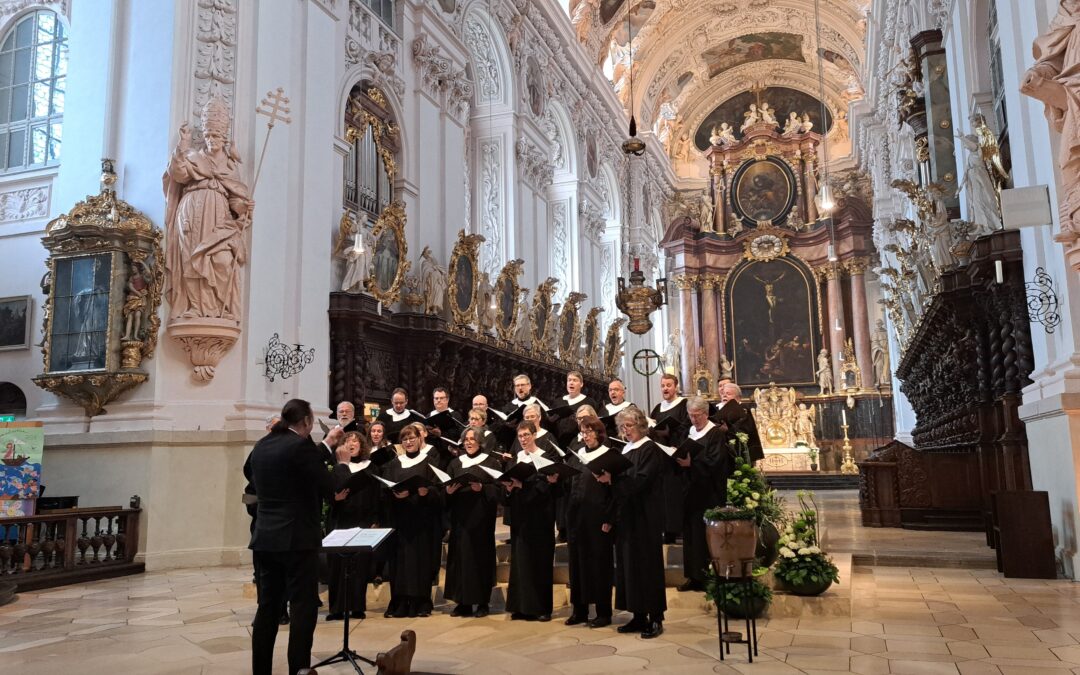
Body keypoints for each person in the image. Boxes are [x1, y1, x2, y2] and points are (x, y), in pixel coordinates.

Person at [247, 399, 343, 675]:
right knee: (302, 608)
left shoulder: (261, 445)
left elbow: (252, 474)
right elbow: (329, 486)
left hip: (265, 537)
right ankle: (298, 671)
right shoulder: (300, 446)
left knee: (267, 608)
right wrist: (340, 462)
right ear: (306, 422)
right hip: (297, 539)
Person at [603, 407, 666, 639]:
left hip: (645, 517)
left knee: (648, 566)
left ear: (641, 425)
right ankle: (638, 615)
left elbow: (641, 481)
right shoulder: (625, 450)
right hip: (627, 517)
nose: (626, 430)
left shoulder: (650, 449)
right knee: (629, 566)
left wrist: (613, 479)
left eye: (629, 426)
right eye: (622, 427)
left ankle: (656, 617)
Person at [380, 423, 443, 618]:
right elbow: (385, 490)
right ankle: (399, 602)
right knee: (399, 563)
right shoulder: (394, 464)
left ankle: (420, 603)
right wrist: (395, 495)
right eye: (405, 439)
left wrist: (425, 493)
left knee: (419, 562)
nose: (408, 442)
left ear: (420, 439)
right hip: (400, 520)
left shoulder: (429, 462)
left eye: (412, 438)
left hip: (421, 521)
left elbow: (438, 489)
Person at [504, 422, 562, 622]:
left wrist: (524, 486)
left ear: (535, 435)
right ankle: (520, 606)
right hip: (520, 516)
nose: (523, 439)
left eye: (526, 435)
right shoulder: (516, 459)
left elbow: (547, 489)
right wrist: (509, 488)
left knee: (539, 561)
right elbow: (507, 490)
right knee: (520, 562)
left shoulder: (545, 458)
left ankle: (541, 608)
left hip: (540, 517)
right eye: (520, 436)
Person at [444, 428, 502, 618]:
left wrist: (482, 488)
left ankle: (483, 602)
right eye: (466, 439)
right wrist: (448, 492)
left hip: (481, 520)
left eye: (472, 439)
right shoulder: (455, 463)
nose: (468, 442)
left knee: (480, 560)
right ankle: (463, 603)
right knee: (460, 559)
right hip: (460, 519)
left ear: (480, 442)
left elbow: (500, 489)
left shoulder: (490, 462)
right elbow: (445, 487)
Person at [564, 416, 616, 628]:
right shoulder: (577, 456)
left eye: (589, 431)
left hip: (598, 518)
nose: (585, 436)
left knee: (599, 564)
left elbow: (613, 491)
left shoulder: (608, 455)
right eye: (583, 432)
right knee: (577, 563)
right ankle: (580, 610)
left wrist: (609, 518)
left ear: (599, 433)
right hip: (576, 517)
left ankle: (603, 612)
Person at [675, 397, 731, 592]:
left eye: (697, 416)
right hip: (690, 492)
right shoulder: (689, 432)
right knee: (691, 535)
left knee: (705, 536)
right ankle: (693, 576)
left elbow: (716, 462)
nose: (694, 419)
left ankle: (708, 577)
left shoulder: (715, 434)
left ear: (706, 414)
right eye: (691, 416)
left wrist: (693, 464)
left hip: (709, 493)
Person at [325, 431, 381, 621]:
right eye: (347, 441)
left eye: (355, 441)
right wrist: (335, 499)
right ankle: (336, 609)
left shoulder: (370, 467)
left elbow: (377, 496)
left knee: (360, 566)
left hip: (362, 520)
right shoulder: (337, 468)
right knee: (337, 566)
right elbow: (328, 493)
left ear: (361, 445)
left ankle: (357, 607)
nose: (351, 444)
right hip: (340, 520)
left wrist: (375, 519)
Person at [649, 373, 690, 544]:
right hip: (661, 458)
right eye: (663, 385)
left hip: (676, 458)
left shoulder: (683, 405)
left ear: (676, 386)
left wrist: (670, 433)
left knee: (675, 494)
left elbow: (687, 428)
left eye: (668, 385)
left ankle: (679, 530)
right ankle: (666, 530)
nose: (665, 388)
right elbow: (651, 428)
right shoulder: (658, 408)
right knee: (663, 495)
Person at [712, 382, 764, 462]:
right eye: (723, 393)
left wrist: (727, 430)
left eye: (728, 394)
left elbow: (745, 432)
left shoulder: (743, 410)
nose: (724, 395)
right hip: (720, 452)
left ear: (738, 398)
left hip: (740, 453)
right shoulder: (716, 409)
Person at [550, 371, 600, 447]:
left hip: (579, 443)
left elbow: (595, 424)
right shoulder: (558, 402)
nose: (571, 383)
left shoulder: (589, 402)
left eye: (575, 380)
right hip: (558, 442)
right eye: (569, 380)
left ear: (581, 384)